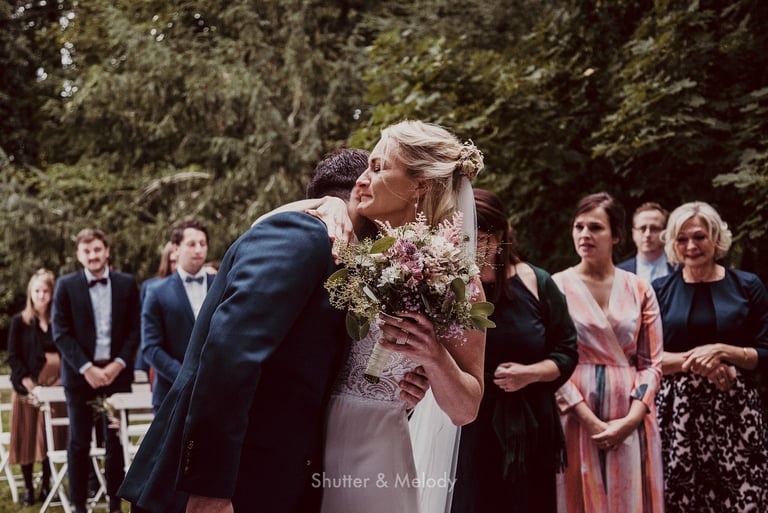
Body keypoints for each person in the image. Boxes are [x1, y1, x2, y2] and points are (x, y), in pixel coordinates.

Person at [118, 148, 428, 513]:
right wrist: (209, 488)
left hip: (282, 477)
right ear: (361, 189)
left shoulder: (349, 259)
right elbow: (229, 355)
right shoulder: (302, 234)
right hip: (224, 484)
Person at [318, 121, 486, 513]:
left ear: (420, 185)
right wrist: (326, 204)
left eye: (378, 168)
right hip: (305, 440)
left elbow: (466, 409)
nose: (362, 179)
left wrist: (433, 356)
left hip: (379, 454)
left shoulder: (455, 279)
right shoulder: (344, 237)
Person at [451, 189, 578, 513]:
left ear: (501, 236)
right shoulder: (452, 286)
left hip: (530, 424)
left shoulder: (537, 282)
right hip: (472, 428)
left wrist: (529, 374)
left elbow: (567, 350)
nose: (475, 248)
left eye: (482, 239)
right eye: (468, 239)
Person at [652, 201, 768, 513]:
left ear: (716, 238)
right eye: (682, 239)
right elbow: (646, 359)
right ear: (673, 244)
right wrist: (706, 361)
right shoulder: (658, 290)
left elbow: (765, 351)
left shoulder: (748, 286)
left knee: (743, 498)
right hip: (678, 412)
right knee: (681, 499)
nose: (691, 246)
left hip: (735, 408)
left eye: (700, 236)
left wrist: (726, 352)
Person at [552, 192, 664, 513]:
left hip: (631, 413)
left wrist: (632, 419)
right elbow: (552, 361)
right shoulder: (556, 287)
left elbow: (652, 363)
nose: (585, 235)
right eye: (579, 226)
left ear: (616, 235)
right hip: (575, 414)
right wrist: (589, 420)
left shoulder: (640, 288)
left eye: (596, 227)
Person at [52, 228, 140, 513]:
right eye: (87, 251)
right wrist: (86, 368)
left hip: (117, 373)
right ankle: (79, 505)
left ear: (107, 251)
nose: (93, 256)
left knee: (115, 441)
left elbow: (135, 329)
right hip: (80, 377)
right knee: (78, 442)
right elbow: (61, 332)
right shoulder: (66, 286)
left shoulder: (126, 284)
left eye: (97, 250)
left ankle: (115, 504)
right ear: (79, 255)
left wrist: (118, 364)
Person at [141, 220, 215, 411]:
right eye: (191, 244)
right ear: (175, 248)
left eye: (202, 243)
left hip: (216, 390)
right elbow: (150, 347)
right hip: (171, 392)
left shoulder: (222, 284)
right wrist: (186, 376)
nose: (198, 249)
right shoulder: (156, 291)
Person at [6, 269, 63, 505]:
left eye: (45, 291)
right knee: (28, 437)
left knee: (50, 439)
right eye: (37, 291)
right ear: (31, 293)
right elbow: (13, 356)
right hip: (28, 390)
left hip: (55, 389)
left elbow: (66, 353)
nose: (41, 295)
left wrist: (62, 381)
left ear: (52, 293)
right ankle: (29, 487)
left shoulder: (59, 320)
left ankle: (47, 485)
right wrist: (27, 383)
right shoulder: (20, 322)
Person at [136, 240, 178, 378]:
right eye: (173, 261)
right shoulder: (152, 287)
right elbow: (146, 328)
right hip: (159, 358)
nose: (177, 265)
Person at [618, 202, 675, 282]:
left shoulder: (679, 270)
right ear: (633, 233)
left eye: (654, 228)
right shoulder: (619, 274)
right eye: (642, 228)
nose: (647, 234)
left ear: (665, 233)